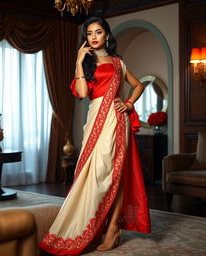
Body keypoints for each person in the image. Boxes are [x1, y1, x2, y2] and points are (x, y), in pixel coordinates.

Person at [39, 16, 151, 256]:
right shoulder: (87, 63)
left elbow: (139, 85)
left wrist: (129, 104)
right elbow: (81, 92)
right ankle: (92, 223)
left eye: (98, 32)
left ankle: (113, 228)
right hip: (95, 120)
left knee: (116, 173)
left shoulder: (118, 63)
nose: (94, 37)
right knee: (94, 172)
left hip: (116, 121)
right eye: (89, 33)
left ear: (107, 35)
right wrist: (79, 62)